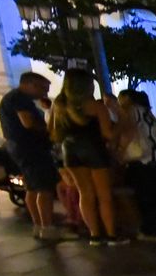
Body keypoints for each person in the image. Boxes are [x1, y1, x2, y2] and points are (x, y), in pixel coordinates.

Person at [50, 70, 121, 245]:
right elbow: (108, 134)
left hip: (70, 151)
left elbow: (53, 134)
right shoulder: (95, 106)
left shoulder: (58, 106)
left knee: (85, 194)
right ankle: (111, 235)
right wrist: (120, 123)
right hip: (93, 149)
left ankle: (94, 235)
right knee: (104, 195)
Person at [0, 72, 63, 240]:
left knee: (32, 188)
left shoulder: (11, 98)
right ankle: (48, 227)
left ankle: (38, 225)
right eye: (43, 89)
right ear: (31, 85)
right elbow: (28, 122)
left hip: (20, 148)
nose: (44, 94)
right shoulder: (20, 99)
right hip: (31, 148)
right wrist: (49, 131)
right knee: (44, 188)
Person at [115, 89, 156, 241]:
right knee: (155, 195)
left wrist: (119, 150)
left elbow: (129, 130)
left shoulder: (133, 111)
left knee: (145, 196)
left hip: (143, 160)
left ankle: (150, 230)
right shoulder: (148, 113)